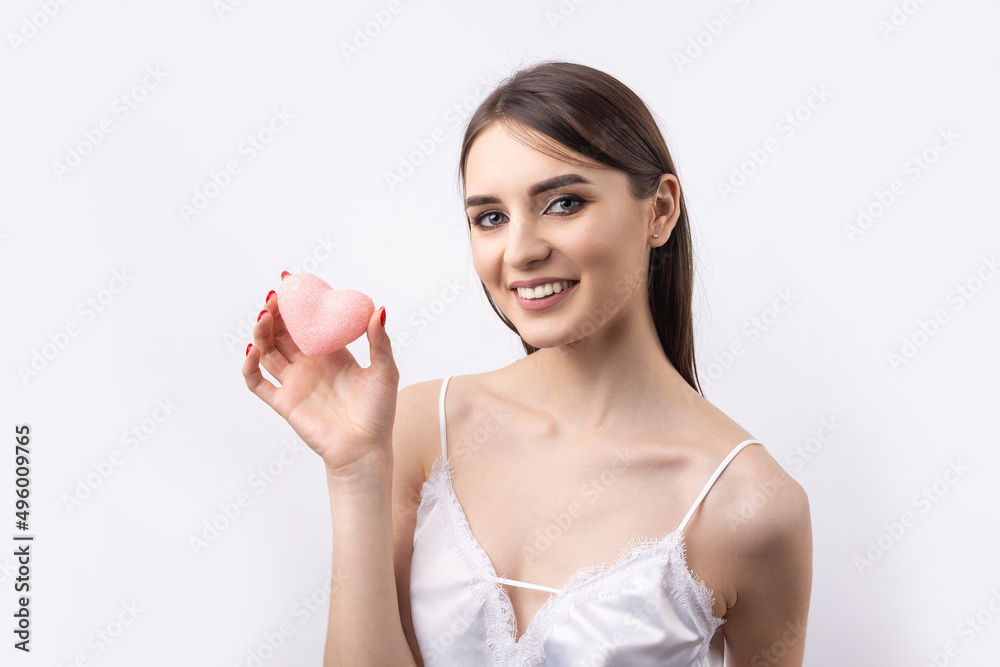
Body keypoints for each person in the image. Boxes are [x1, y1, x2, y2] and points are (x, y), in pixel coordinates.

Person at [243, 59, 812, 666]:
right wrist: (355, 471)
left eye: (564, 203)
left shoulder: (751, 506)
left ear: (660, 211)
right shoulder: (419, 428)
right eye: (490, 218)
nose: (520, 251)